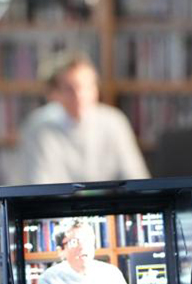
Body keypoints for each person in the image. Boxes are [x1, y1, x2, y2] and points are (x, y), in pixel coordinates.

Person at [15, 51, 149, 184]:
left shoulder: (114, 122)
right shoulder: (38, 127)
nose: (80, 95)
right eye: (70, 89)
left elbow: (136, 178)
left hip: (109, 204)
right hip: (58, 204)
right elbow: (37, 184)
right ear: (53, 93)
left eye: (87, 87)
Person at [36, 220, 131, 284]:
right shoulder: (48, 280)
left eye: (86, 240)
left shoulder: (112, 273)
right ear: (61, 251)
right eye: (74, 242)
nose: (82, 246)